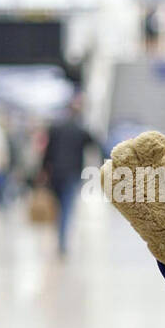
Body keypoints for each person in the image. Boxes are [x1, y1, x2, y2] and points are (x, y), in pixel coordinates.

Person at [41, 93, 101, 256]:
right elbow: (95, 144)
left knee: (59, 207)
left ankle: (59, 237)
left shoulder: (55, 128)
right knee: (67, 207)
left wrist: (42, 171)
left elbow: (47, 153)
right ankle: (62, 241)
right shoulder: (81, 129)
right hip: (72, 173)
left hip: (55, 173)